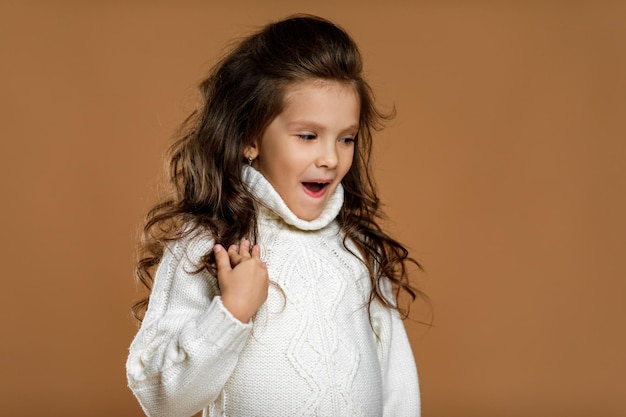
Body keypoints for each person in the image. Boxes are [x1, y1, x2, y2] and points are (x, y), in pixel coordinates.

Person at [126, 14, 425, 417]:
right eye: (307, 136)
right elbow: (161, 399)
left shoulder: (358, 252)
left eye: (347, 138)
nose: (331, 158)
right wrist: (232, 313)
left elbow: (398, 389)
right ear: (250, 137)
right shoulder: (207, 245)